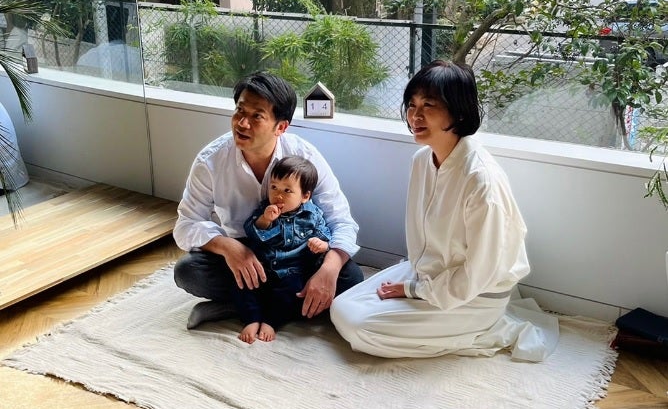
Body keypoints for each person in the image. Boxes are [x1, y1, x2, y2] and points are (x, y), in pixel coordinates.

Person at [330, 60, 559, 361]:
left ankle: (485, 328)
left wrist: (413, 290)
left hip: (473, 295)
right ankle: (431, 317)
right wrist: (415, 283)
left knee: (362, 329)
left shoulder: (481, 181)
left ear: (459, 112)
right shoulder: (422, 161)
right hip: (426, 274)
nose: (416, 115)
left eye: (429, 105)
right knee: (341, 307)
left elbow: (479, 273)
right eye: (412, 105)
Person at [173, 72, 364, 329]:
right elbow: (186, 224)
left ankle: (240, 307)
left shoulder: (304, 156)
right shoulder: (211, 161)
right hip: (246, 252)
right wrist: (227, 247)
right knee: (188, 272)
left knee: (350, 278)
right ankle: (280, 307)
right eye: (240, 111)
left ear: (281, 127)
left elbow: (341, 220)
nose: (242, 123)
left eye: (256, 116)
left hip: (297, 254)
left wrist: (329, 270)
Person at [235, 155, 331, 343]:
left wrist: (322, 244)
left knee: (291, 292)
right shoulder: (265, 209)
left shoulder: (312, 215)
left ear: (305, 196)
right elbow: (251, 231)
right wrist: (265, 220)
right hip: (262, 266)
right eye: (274, 187)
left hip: (292, 271)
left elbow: (325, 234)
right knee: (244, 284)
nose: (278, 195)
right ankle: (252, 319)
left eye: (287, 190)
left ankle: (271, 321)